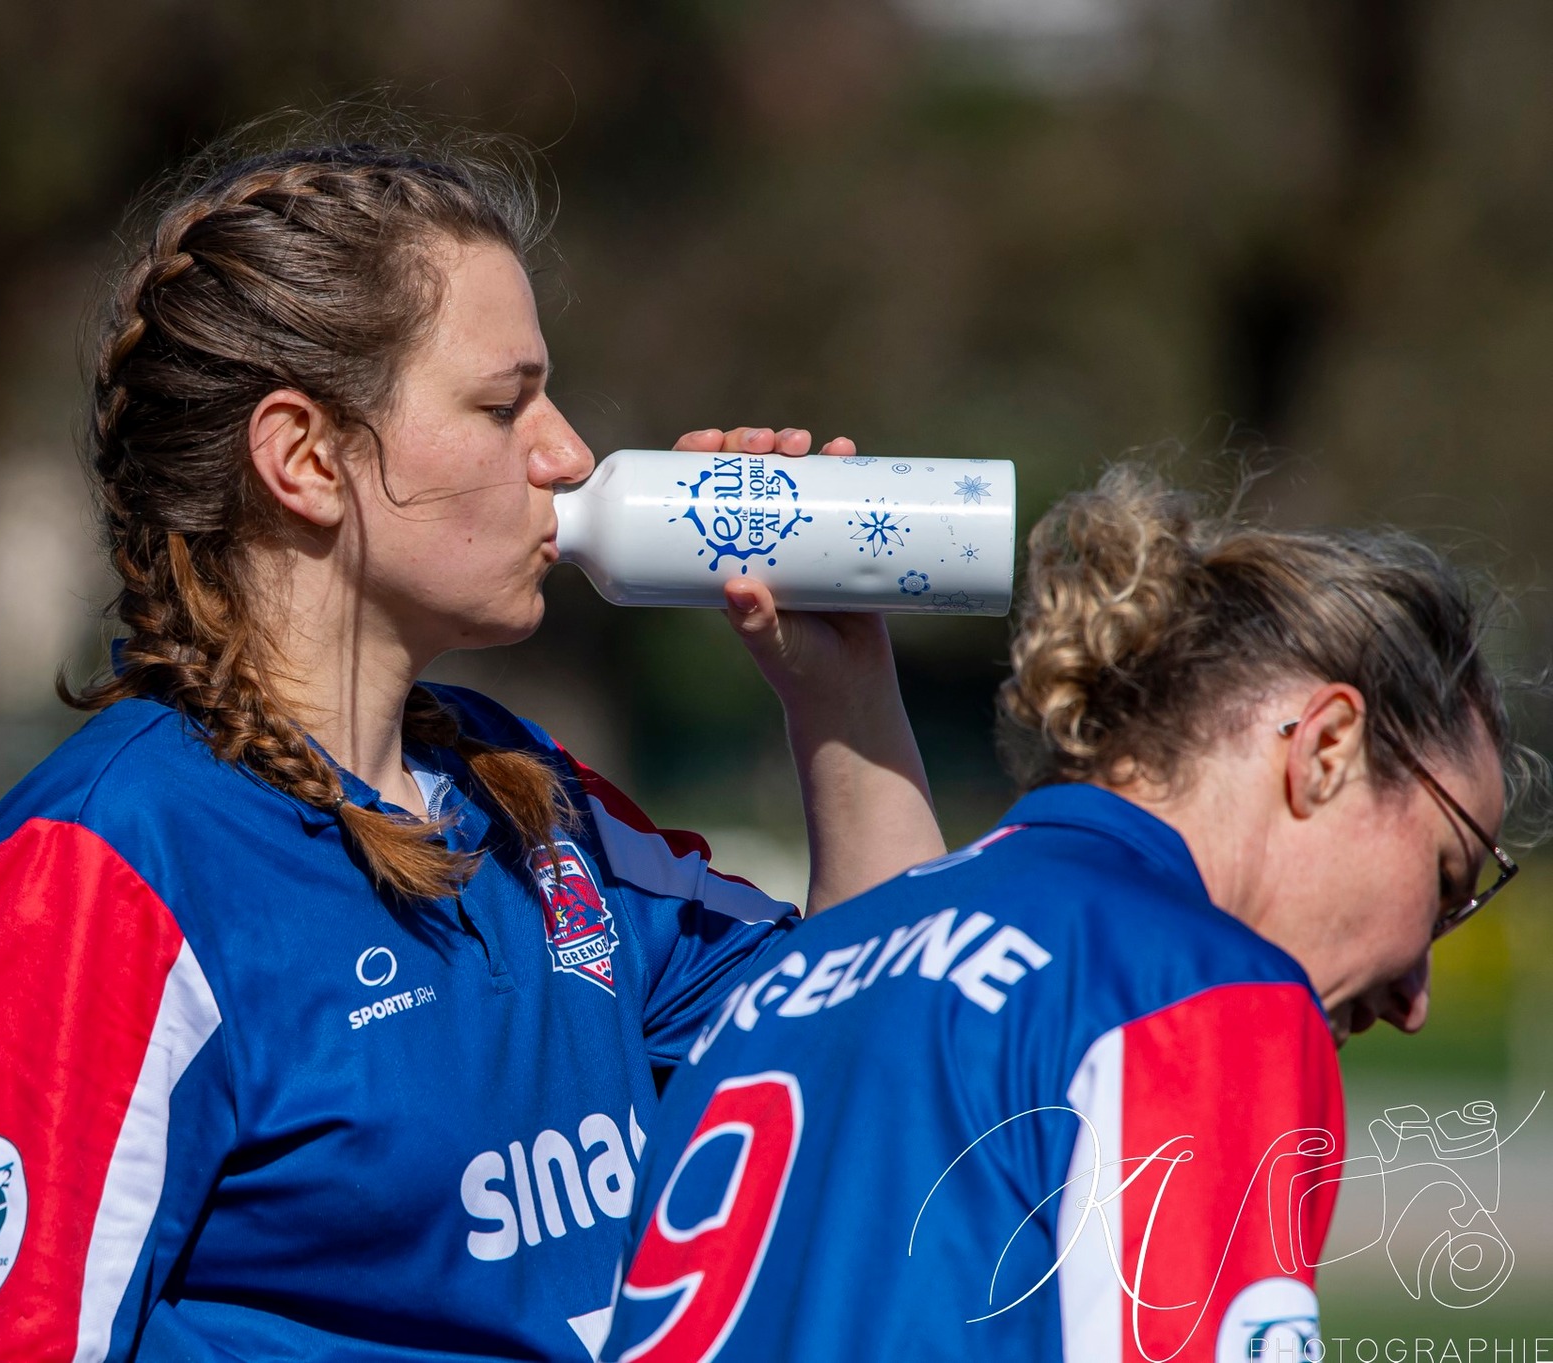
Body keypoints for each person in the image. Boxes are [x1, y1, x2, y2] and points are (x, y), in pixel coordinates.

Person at [0, 120, 946, 1363]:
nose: (566, 454)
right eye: (504, 405)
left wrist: (840, 694)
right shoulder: (105, 873)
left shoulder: (537, 808)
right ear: (304, 459)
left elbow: (891, 1052)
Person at [601, 464, 1534, 1363]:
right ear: (1326, 749)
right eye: (1447, 879)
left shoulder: (787, 984)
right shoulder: (1196, 989)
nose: (1416, 992)